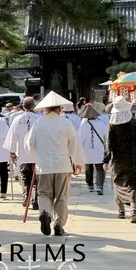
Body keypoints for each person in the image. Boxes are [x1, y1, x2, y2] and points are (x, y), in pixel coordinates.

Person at [25, 91, 84, 236]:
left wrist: (36, 156)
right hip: (62, 164)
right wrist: (77, 161)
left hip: (43, 165)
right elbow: (74, 144)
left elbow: (29, 144)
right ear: (60, 108)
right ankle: (59, 224)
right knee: (61, 196)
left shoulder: (38, 123)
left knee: (44, 193)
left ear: (46, 108)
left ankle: (45, 213)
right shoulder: (65, 122)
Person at [103, 96, 136, 223]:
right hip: (134, 159)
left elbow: (109, 143)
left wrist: (106, 159)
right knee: (134, 185)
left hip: (118, 161)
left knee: (118, 183)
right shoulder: (134, 123)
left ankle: (121, 211)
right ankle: (133, 210)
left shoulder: (112, 125)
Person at [4, 97, 41, 210]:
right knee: (37, 179)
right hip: (37, 154)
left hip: (23, 153)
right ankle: (36, 200)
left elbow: (12, 137)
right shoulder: (39, 119)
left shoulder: (17, 119)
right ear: (34, 106)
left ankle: (26, 196)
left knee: (25, 177)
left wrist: (12, 152)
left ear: (23, 106)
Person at [78, 107, 108, 195]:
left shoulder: (83, 125)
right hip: (99, 150)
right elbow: (106, 137)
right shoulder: (102, 124)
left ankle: (90, 184)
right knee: (100, 168)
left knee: (88, 167)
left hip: (87, 151)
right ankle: (100, 186)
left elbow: (80, 139)